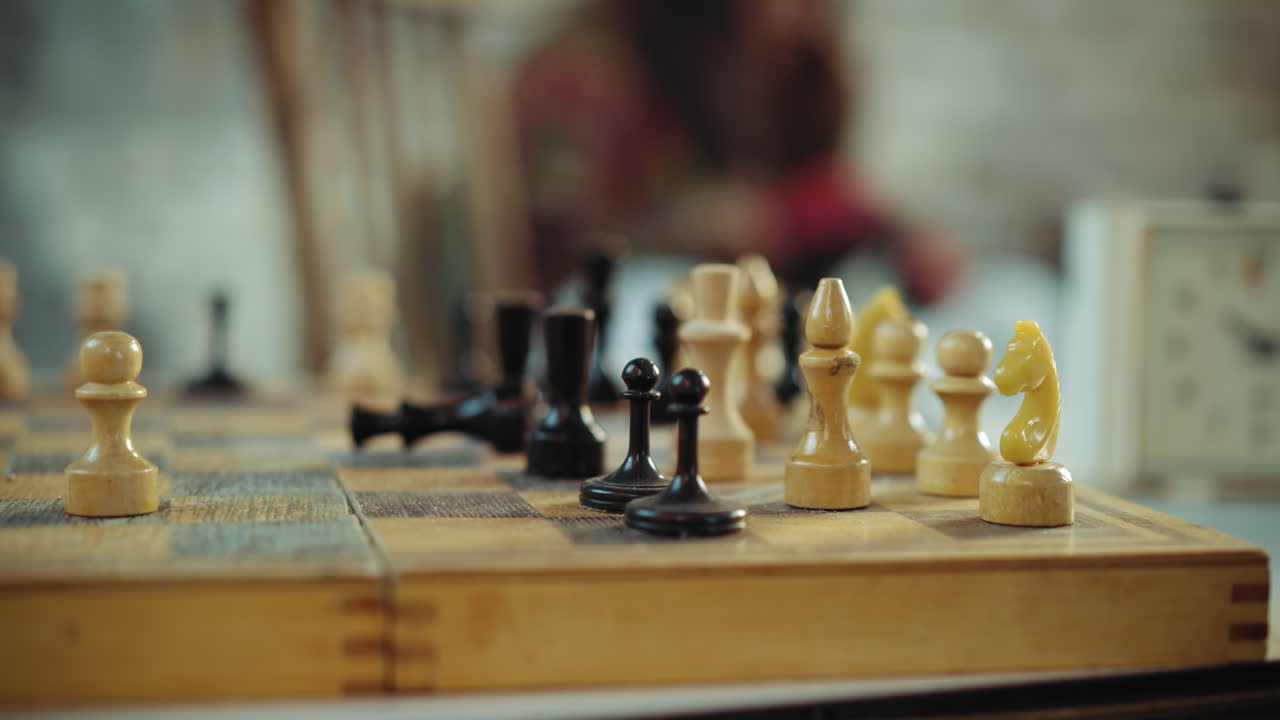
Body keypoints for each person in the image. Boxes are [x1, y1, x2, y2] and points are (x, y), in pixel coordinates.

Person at [515, 0, 966, 303]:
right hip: (630, 317)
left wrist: (899, 233)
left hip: (766, 317)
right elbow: (555, 238)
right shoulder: (593, 60)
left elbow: (824, 194)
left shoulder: (804, 65)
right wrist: (703, 223)